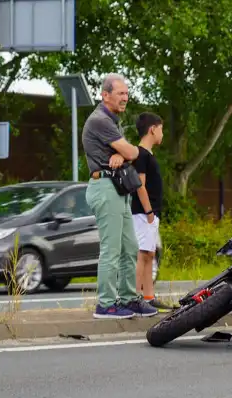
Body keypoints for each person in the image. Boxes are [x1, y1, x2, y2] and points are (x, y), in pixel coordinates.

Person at [81, 73, 156, 319]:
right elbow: (134, 150)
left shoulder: (113, 121)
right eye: (120, 93)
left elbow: (130, 152)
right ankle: (105, 304)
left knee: (130, 247)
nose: (125, 98)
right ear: (105, 95)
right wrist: (126, 152)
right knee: (111, 249)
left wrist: (122, 155)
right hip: (104, 187)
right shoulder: (100, 120)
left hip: (118, 188)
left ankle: (128, 299)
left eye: (126, 93)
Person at [131, 112, 174, 310]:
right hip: (143, 213)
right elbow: (140, 185)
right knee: (143, 254)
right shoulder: (141, 154)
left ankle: (148, 297)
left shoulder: (148, 155)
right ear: (153, 129)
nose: (162, 134)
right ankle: (135, 297)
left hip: (151, 213)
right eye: (161, 129)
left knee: (149, 254)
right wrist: (148, 211)